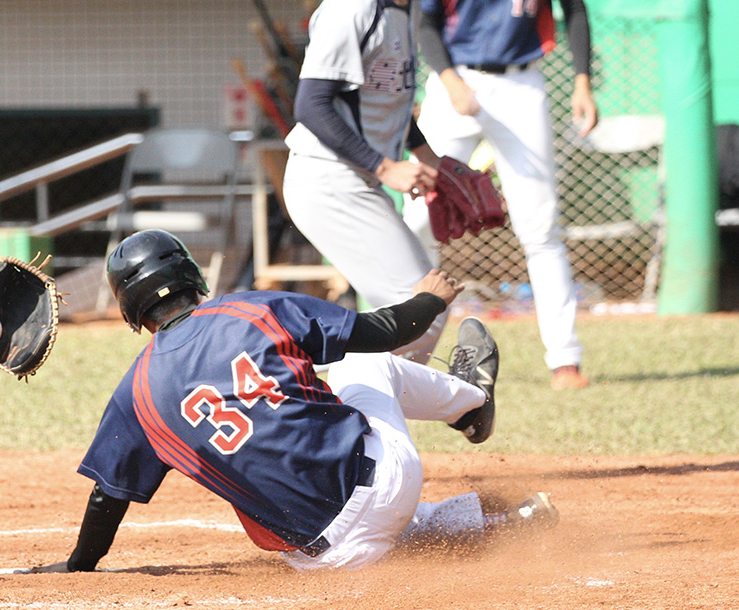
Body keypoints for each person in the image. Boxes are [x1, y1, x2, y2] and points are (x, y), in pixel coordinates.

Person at [41, 230, 557, 573]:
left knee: (367, 516)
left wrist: (78, 565)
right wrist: (430, 298)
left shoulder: (136, 393)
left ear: (129, 308)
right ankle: (472, 404)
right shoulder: (251, 310)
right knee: (358, 365)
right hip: (382, 488)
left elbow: (109, 496)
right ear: (189, 276)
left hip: (322, 558)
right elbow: (385, 331)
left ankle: (503, 522)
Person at [405, 0, 598, 390]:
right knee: (418, 222)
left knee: (541, 226)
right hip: (454, 80)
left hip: (522, 85)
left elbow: (575, 10)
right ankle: (406, 352)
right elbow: (425, 22)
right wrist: (450, 81)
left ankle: (565, 361)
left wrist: (583, 81)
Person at [280, 0, 447, 365]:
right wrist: (385, 168)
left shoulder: (408, 8)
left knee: (425, 306)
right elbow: (310, 105)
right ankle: (323, 407)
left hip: (354, 179)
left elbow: (388, 101)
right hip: (327, 178)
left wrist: (431, 159)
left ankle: (344, 411)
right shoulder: (352, 8)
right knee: (421, 307)